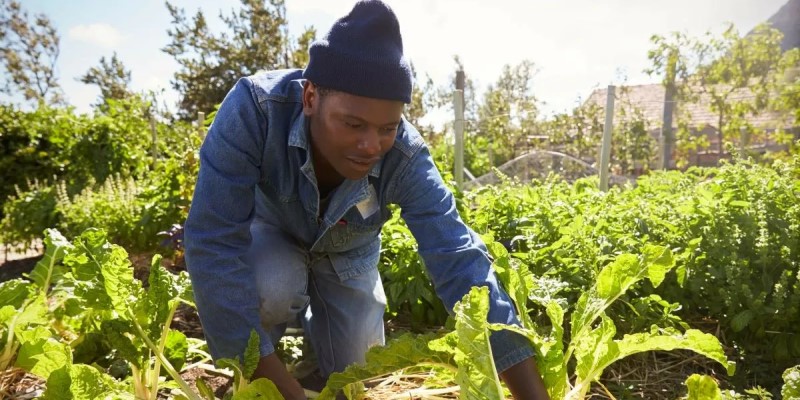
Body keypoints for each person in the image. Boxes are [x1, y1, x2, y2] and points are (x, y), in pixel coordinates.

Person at [184, 1, 550, 399]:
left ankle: (312, 356)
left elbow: (458, 258)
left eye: (387, 128)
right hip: (274, 235)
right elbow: (213, 241)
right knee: (270, 288)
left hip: (349, 252)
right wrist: (279, 391)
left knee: (359, 369)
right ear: (310, 98)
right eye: (353, 124)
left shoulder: (406, 157)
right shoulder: (255, 110)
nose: (370, 145)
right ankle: (254, 373)